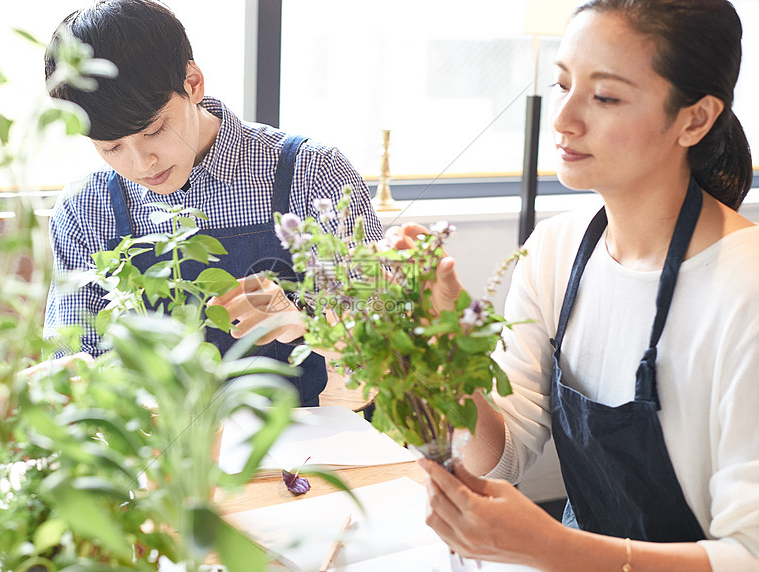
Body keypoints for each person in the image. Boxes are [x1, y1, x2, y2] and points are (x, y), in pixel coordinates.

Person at [392, 0, 759, 569]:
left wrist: (548, 545)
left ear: (694, 119)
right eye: (563, 84)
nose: (563, 119)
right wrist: (444, 341)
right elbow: (502, 455)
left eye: (605, 96)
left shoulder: (747, 289)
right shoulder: (555, 251)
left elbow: (749, 554)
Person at [41, 0, 382, 407]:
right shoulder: (85, 209)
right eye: (111, 147)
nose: (140, 163)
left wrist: (304, 323)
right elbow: (73, 364)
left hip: (305, 449)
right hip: (160, 456)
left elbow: (388, 350)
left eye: (154, 130)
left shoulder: (312, 172)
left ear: (193, 83)